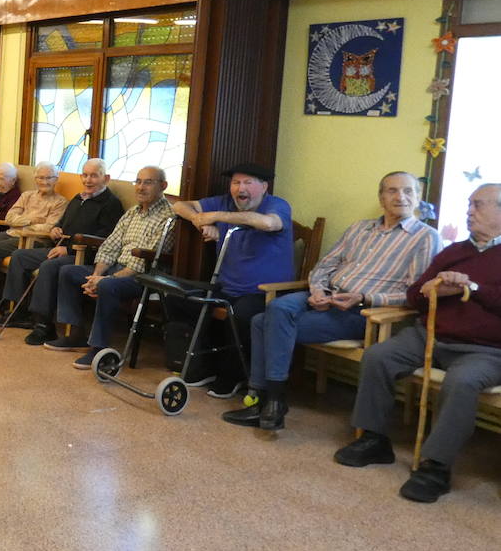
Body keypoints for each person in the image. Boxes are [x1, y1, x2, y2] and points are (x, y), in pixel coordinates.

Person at [224, 171, 440, 431]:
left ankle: (265, 399)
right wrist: (318, 291)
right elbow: (324, 266)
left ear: (418, 198)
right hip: (324, 294)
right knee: (277, 307)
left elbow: (413, 294)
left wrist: (364, 297)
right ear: (381, 197)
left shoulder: (426, 238)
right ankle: (272, 402)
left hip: (362, 312)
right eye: (392, 190)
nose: (400, 197)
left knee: (261, 321)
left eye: (408, 191)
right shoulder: (360, 228)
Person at [333, 183, 501, 503]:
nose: (469, 211)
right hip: (431, 336)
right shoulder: (454, 251)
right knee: (378, 356)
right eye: (468, 204)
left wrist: (473, 288)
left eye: (478, 205)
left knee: (462, 381)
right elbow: (414, 296)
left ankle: (436, 466)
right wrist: (435, 289)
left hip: (486, 350)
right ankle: (374, 439)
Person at [166, 161, 295, 398]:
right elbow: (178, 206)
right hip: (226, 287)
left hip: (265, 291)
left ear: (264, 187)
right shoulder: (224, 200)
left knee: (241, 314)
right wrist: (200, 221)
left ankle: (233, 376)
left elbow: (269, 223)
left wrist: (216, 216)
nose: (240, 188)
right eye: (236, 182)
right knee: (177, 298)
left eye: (248, 183)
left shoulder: (277, 205)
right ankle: (204, 366)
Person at [45, 166, 175, 368]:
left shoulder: (169, 217)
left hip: (143, 277)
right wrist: (96, 275)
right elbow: (110, 245)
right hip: (116, 269)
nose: (140, 187)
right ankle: (76, 334)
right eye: (138, 181)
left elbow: (143, 262)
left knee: (107, 287)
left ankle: (99, 349)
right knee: (68, 272)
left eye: (148, 182)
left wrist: (105, 280)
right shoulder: (133, 212)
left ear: (163, 186)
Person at [0, 157, 125, 335]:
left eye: (94, 176)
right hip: (59, 247)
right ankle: (19, 312)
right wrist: (56, 229)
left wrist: (69, 249)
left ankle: (43, 323)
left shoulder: (111, 204)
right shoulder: (78, 198)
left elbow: (106, 239)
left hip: (83, 255)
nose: (88, 180)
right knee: (20, 255)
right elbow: (62, 223)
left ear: (106, 178)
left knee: (48, 266)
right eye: (85, 175)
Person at [0, 162, 65, 314]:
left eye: (49, 178)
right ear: (35, 179)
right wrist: (33, 220)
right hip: (12, 233)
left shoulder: (60, 202)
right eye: (41, 177)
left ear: (56, 179)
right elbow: (10, 217)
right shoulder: (26, 196)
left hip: (35, 241)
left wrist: (23, 223)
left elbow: (49, 228)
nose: (45, 181)